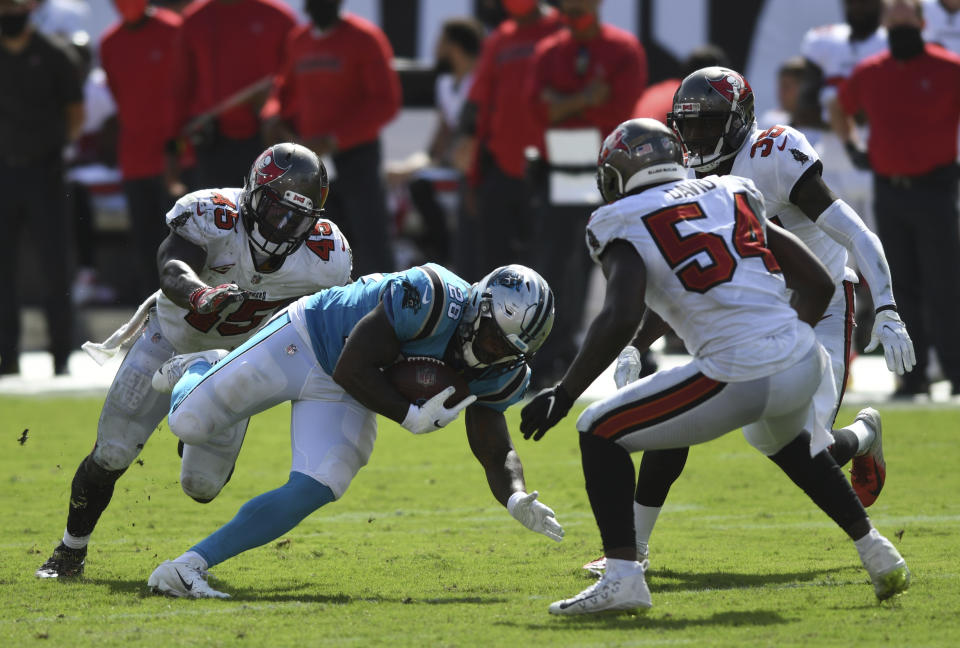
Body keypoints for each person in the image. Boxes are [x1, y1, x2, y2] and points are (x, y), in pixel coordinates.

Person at [518, 118, 911, 615]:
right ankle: (881, 555)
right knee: (794, 448)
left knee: (598, 428)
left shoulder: (618, 219)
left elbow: (620, 313)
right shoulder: (732, 192)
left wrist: (567, 389)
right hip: (800, 355)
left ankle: (622, 576)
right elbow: (816, 280)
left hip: (738, 367)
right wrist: (784, 341)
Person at [145, 263, 563, 598]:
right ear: (479, 307)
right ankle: (197, 366)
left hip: (353, 389)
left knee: (321, 482)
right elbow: (351, 364)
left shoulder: (505, 373)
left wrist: (515, 495)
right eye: (493, 338)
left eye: (508, 350)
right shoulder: (431, 295)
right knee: (189, 423)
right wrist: (408, 416)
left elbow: (495, 447)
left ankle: (188, 566)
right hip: (310, 339)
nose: (494, 353)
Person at [35, 143, 352, 579]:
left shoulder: (325, 255)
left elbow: (334, 316)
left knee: (202, 488)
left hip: (235, 362)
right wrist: (200, 294)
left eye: (296, 218)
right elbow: (172, 269)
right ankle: (69, 551)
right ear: (251, 193)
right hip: (168, 338)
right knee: (112, 451)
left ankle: (190, 400)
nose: (282, 226)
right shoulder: (213, 213)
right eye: (275, 210)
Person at [837, 0, 960, 397]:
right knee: (899, 285)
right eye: (895, 23)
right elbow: (841, 107)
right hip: (890, 190)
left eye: (908, 23)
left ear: (923, 24)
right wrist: (853, 146)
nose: (901, 31)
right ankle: (912, 375)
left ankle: (957, 374)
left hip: (936, 188)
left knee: (944, 285)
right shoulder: (870, 72)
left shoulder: (949, 68)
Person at [524, 0, 647, 387]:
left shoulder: (623, 49)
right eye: (568, 10)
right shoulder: (549, 52)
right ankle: (551, 353)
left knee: (617, 257)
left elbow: (619, 108)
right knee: (556, 262)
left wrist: (564, 105)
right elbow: (537, 110)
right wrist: (585, 99)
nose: (574, 17)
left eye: (581, 9)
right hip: (560, 163)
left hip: (607, 167)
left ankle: (630, 347)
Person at [262, 0, 400, 277]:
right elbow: (283, 90)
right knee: (320, 239)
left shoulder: (365, 38)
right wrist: (272, 115)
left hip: (356, 157)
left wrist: (336, 138)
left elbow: (386, 102)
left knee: (369, 237)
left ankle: (386, 304)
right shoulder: (298, 40)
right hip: (311, 162)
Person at [0, 0, 84, 376]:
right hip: (3, 173)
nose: (9, 14)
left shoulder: (55, 54)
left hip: (45, 173)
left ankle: (61, 355)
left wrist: (51, 150)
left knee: (56, 266)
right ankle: (7, 356)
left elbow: (75, 114)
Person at [461, 0, 563, 273]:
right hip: (502, 169)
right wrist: (474, 178)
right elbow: (481, 113)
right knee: (495, 267)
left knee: (558, 262)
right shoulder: (500, 39)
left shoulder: (563, 30)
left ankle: (560, 317)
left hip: (556, 167)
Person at [100, 0, 184, 300]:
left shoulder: (174, 30)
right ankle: (151, 321)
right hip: (134, 159)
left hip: (172, 158)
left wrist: (175, 150)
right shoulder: (110, 43)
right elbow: (119, 96)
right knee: (145, 245)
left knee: (180, 245)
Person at [387, 17, 485, 266]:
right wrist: (414, 165)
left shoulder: (482, 80)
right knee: (413, 184)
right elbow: (441, 137)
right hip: (456, 163)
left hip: (481, 167)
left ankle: (448, 255)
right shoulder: (444, 84)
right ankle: (440, 253)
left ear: (453, 46)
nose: (435, 49)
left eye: (440, 42)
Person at [170, 0, 296, 190]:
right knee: (217, 214)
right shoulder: (193, 20)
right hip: (213, 143)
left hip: (267, 139)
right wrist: (174, 153)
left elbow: (296, 80)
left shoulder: (278, 16)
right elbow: (178, 92)